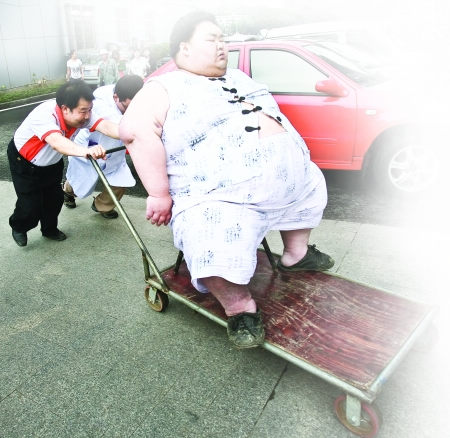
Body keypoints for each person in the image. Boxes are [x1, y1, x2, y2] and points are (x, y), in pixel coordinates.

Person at [119, 11, 334, 349]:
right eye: (212, 39)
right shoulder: (162, 87)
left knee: (311, 183)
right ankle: (239, 306)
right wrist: (158, 194)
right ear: (185, 48)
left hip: (291, 181)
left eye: (223, 39)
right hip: (218, 196)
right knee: (210, 235)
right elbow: (135, 131)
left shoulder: (238, 77)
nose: (222, 46)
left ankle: (296, 253)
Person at [8, 80, 119, 247]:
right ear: (65, 108)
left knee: (54, 199)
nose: (88, 116)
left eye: (90, 110)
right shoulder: (44, 114)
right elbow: (57, 142)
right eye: (83, 111)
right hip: (24, 163)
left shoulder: (81, 114)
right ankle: (19, 227)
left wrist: (132, 135)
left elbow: (106, 126)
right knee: (30, 205)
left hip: (52, 162)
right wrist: (86, 151)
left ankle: (49, 230)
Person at [62, 75, 144, 218]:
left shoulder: (132, 96)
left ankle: (102, 205)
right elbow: (117, 126)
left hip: (114, 150)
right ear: (116, 97)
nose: (131, 110)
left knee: (121, 181)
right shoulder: (98, 101)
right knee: (79, 182)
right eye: (126, 107)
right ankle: (67, 191)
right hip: (90, 147)